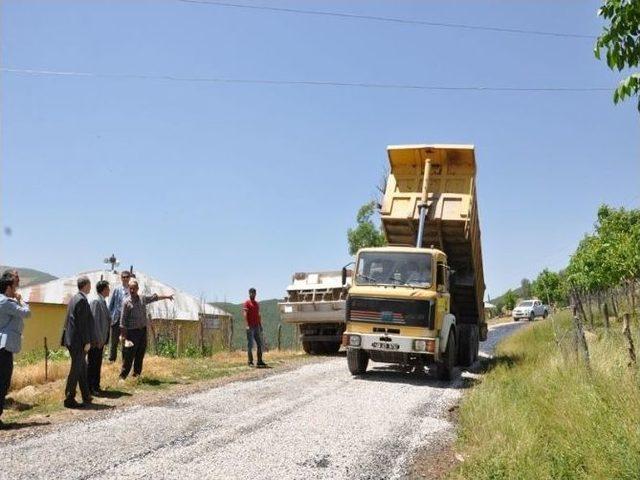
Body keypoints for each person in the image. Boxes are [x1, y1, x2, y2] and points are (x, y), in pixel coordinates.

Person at [119, 279, 173, 380]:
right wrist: (124, 336)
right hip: (132, 332)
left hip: (142, 331)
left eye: (134, 288)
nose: (132, 290)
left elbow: (154, 297)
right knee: (129, 356)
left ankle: (136, 376)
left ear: (137, 289)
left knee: (140, 354)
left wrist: (167, 297)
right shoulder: (126, 302)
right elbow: (122, 320)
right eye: (130, 288)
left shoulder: (142, 299)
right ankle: (122, 377)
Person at [0, 271, 31, 427]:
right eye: (14, 286)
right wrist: (22, 300)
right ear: (8, 287)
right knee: (3, 382)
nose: (16, 289)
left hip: (4, 345)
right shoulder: (6, 302)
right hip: (4, 347)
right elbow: (27, 313)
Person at [61, 276, 94, 408]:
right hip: (78, 341)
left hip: (72, 339)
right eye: (90, 285)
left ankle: (86, 395)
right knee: (76, 369)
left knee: (82, 367)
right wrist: (87, 341)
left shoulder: (74, 299)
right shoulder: (81, 300)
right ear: (85, 285)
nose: (91, 287)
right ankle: (69, 398)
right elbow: (82, 324)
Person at [88, 280, 111, 395]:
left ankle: (96, 386)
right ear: (103, 289)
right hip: (96, 341)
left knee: (97, 364)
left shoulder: (103, 301)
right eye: (108, 288)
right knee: (93, 364)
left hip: (101, 340)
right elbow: (95, 322)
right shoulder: (96, 302)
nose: (109, 290)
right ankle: (91, 388)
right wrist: (97, 339)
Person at [108, 270, 131, 362]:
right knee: (114, 340)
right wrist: (110, 317)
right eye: (123, 277)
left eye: (127, 277)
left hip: (127, 319)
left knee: (125, 340)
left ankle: (124, 360)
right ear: (121, 278)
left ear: (129, 278)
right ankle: (112, 359)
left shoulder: (132, 289)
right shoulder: (117, 289)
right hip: (116, 318)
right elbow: (111, 304)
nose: (125, 278)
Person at [243, 288, 266, 367]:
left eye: (254, 293)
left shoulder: (256, 304)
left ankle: (259, 361)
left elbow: (258, 315)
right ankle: (250, 361)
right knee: (250, 345)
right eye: (251, 293)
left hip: (256, 326)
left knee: (259, 344)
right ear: (249, 293)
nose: (252, 294)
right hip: (250, 327)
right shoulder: (247, 303)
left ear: (255, 294)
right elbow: (245, 314)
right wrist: (247, 325)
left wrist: (260, 325)